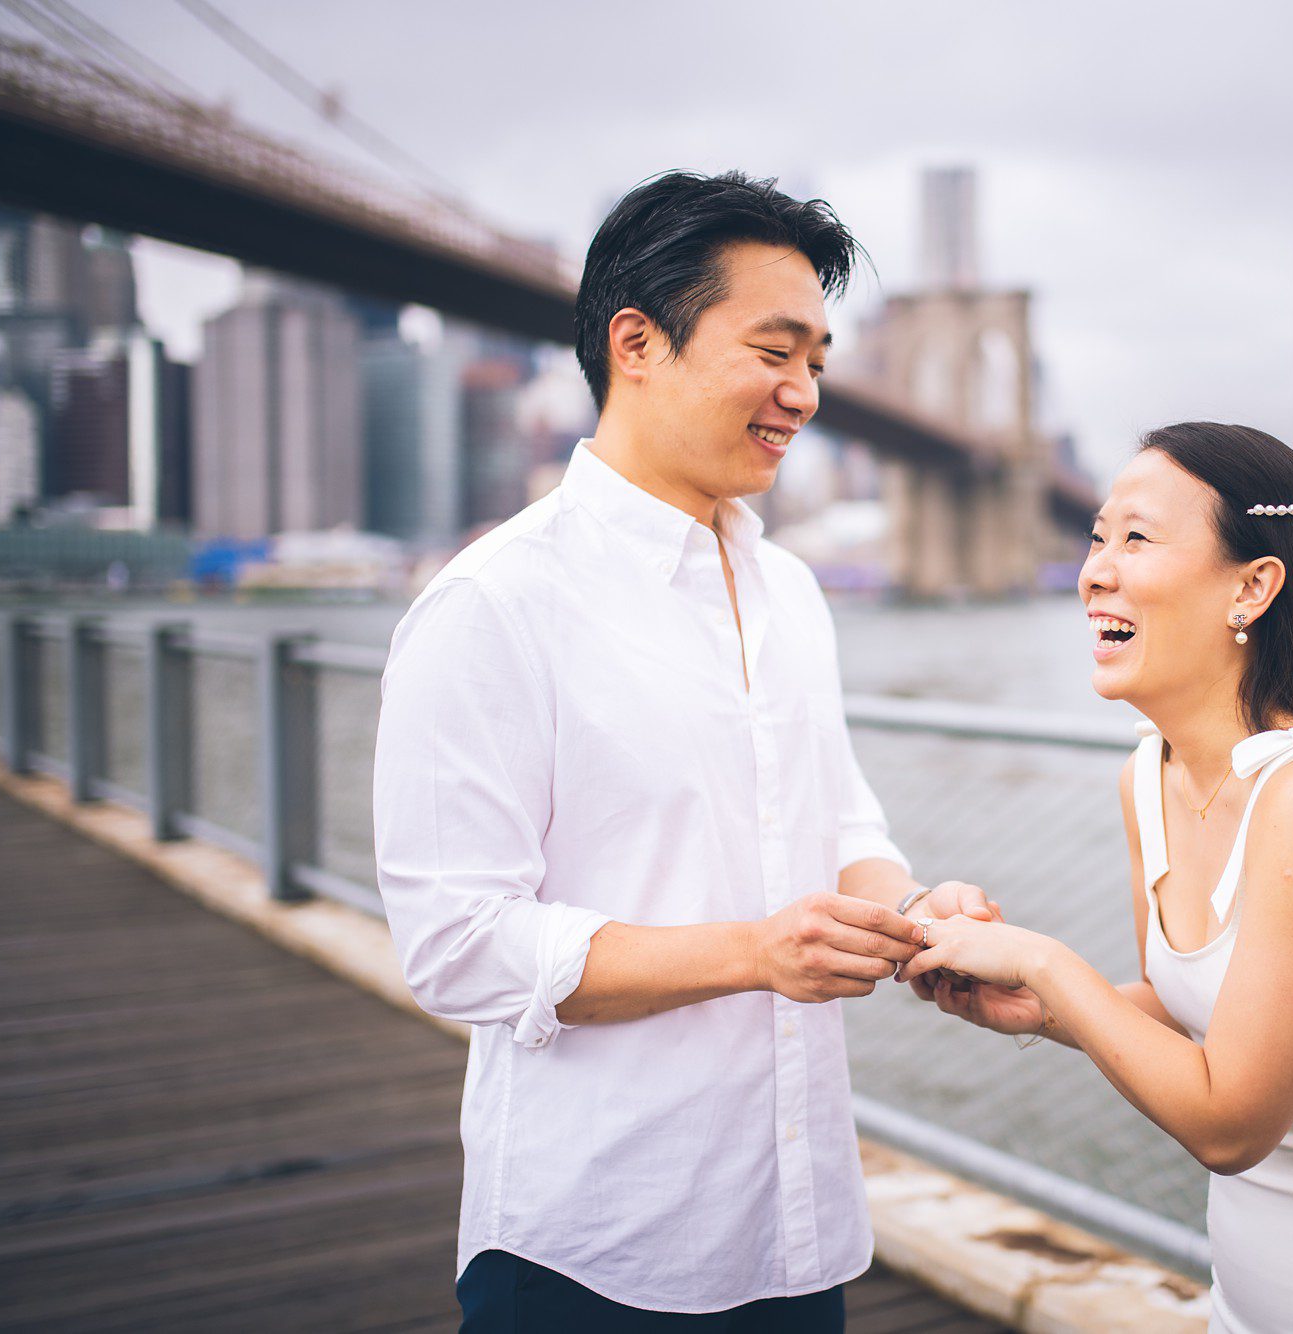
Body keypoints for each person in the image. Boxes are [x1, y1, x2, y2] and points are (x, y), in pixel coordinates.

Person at [373, 170, 993, 1332]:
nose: (803, 391)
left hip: (796, 1222)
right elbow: (454, 943)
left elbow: (839, 820)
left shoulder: (792, 589)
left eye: (817, 357)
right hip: (594, 1242)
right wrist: (755, 951)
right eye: (774, 350)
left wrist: (914, 917)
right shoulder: (494, 604)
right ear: (636, 342)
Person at [901, 422, 1293, 1332]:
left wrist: (1043, 964)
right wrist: (1036, 1009)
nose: (1095, 572)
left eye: (1137, 539)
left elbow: (1231, 1122)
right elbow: (1182, 1006)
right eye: (1096, 536)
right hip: (1248, 1296)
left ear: (1253, 586)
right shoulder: (1148, 776)